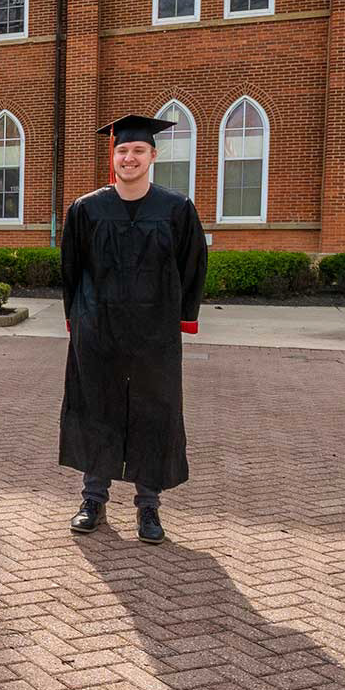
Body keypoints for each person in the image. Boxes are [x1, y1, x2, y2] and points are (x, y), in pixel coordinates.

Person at [58, 114, 207, 544]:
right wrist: (77, 318)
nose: (129, 157)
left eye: (138, 150)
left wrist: (181, 316)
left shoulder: (176, 209)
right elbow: (72, 269)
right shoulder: (87, 209)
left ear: (153, 156)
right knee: (96, 406)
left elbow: (192, 265)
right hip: (98, 327)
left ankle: (148, 507)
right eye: (122, 150)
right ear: (114, 155)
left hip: (153, 330)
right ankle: (93, 500)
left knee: (152, 411)